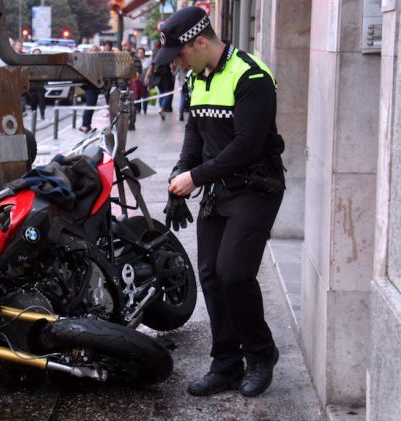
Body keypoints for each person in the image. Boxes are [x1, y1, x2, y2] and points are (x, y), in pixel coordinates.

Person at [157, 6, 285, 398]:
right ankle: (226, 363)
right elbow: (194, 138)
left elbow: (246, 145)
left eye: (179, 55)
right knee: (211, 276)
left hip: (255, 187)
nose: (177, 64)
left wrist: (195, 177)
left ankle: (261, 355)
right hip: (218, 190)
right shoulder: (199, 78)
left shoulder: (251, 76)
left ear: (199, 42)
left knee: (234, 273)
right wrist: (178, 181)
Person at [146, 39, 175, 121]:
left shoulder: (155, 52)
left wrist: (148, 76)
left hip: (157, 76)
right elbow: (171, 65)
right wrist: (173, 73)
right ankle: (162, 108)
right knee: (168, 92)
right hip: (166, 75)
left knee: (161, 93)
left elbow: (152, 65)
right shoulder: (167, 51)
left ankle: (161, 108)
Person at [79, 45, 101, 133]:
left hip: (95, 87)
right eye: (93, 50)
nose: (94, 52)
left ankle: (87, 125)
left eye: (96, 50)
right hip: (89, 87)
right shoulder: (86, 62)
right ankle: (85, 125)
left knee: (91, 106)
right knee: (90, 105)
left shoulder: (98, 62)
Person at [26, 48, 46, 120]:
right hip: (32, 85)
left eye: (38, 54)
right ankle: (33, 113)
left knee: (41, 100)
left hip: (40, 85)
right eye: (35, 54)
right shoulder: (30, 62)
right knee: (33, 100)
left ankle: (42, 114)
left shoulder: (43, 63)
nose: (37, 55)